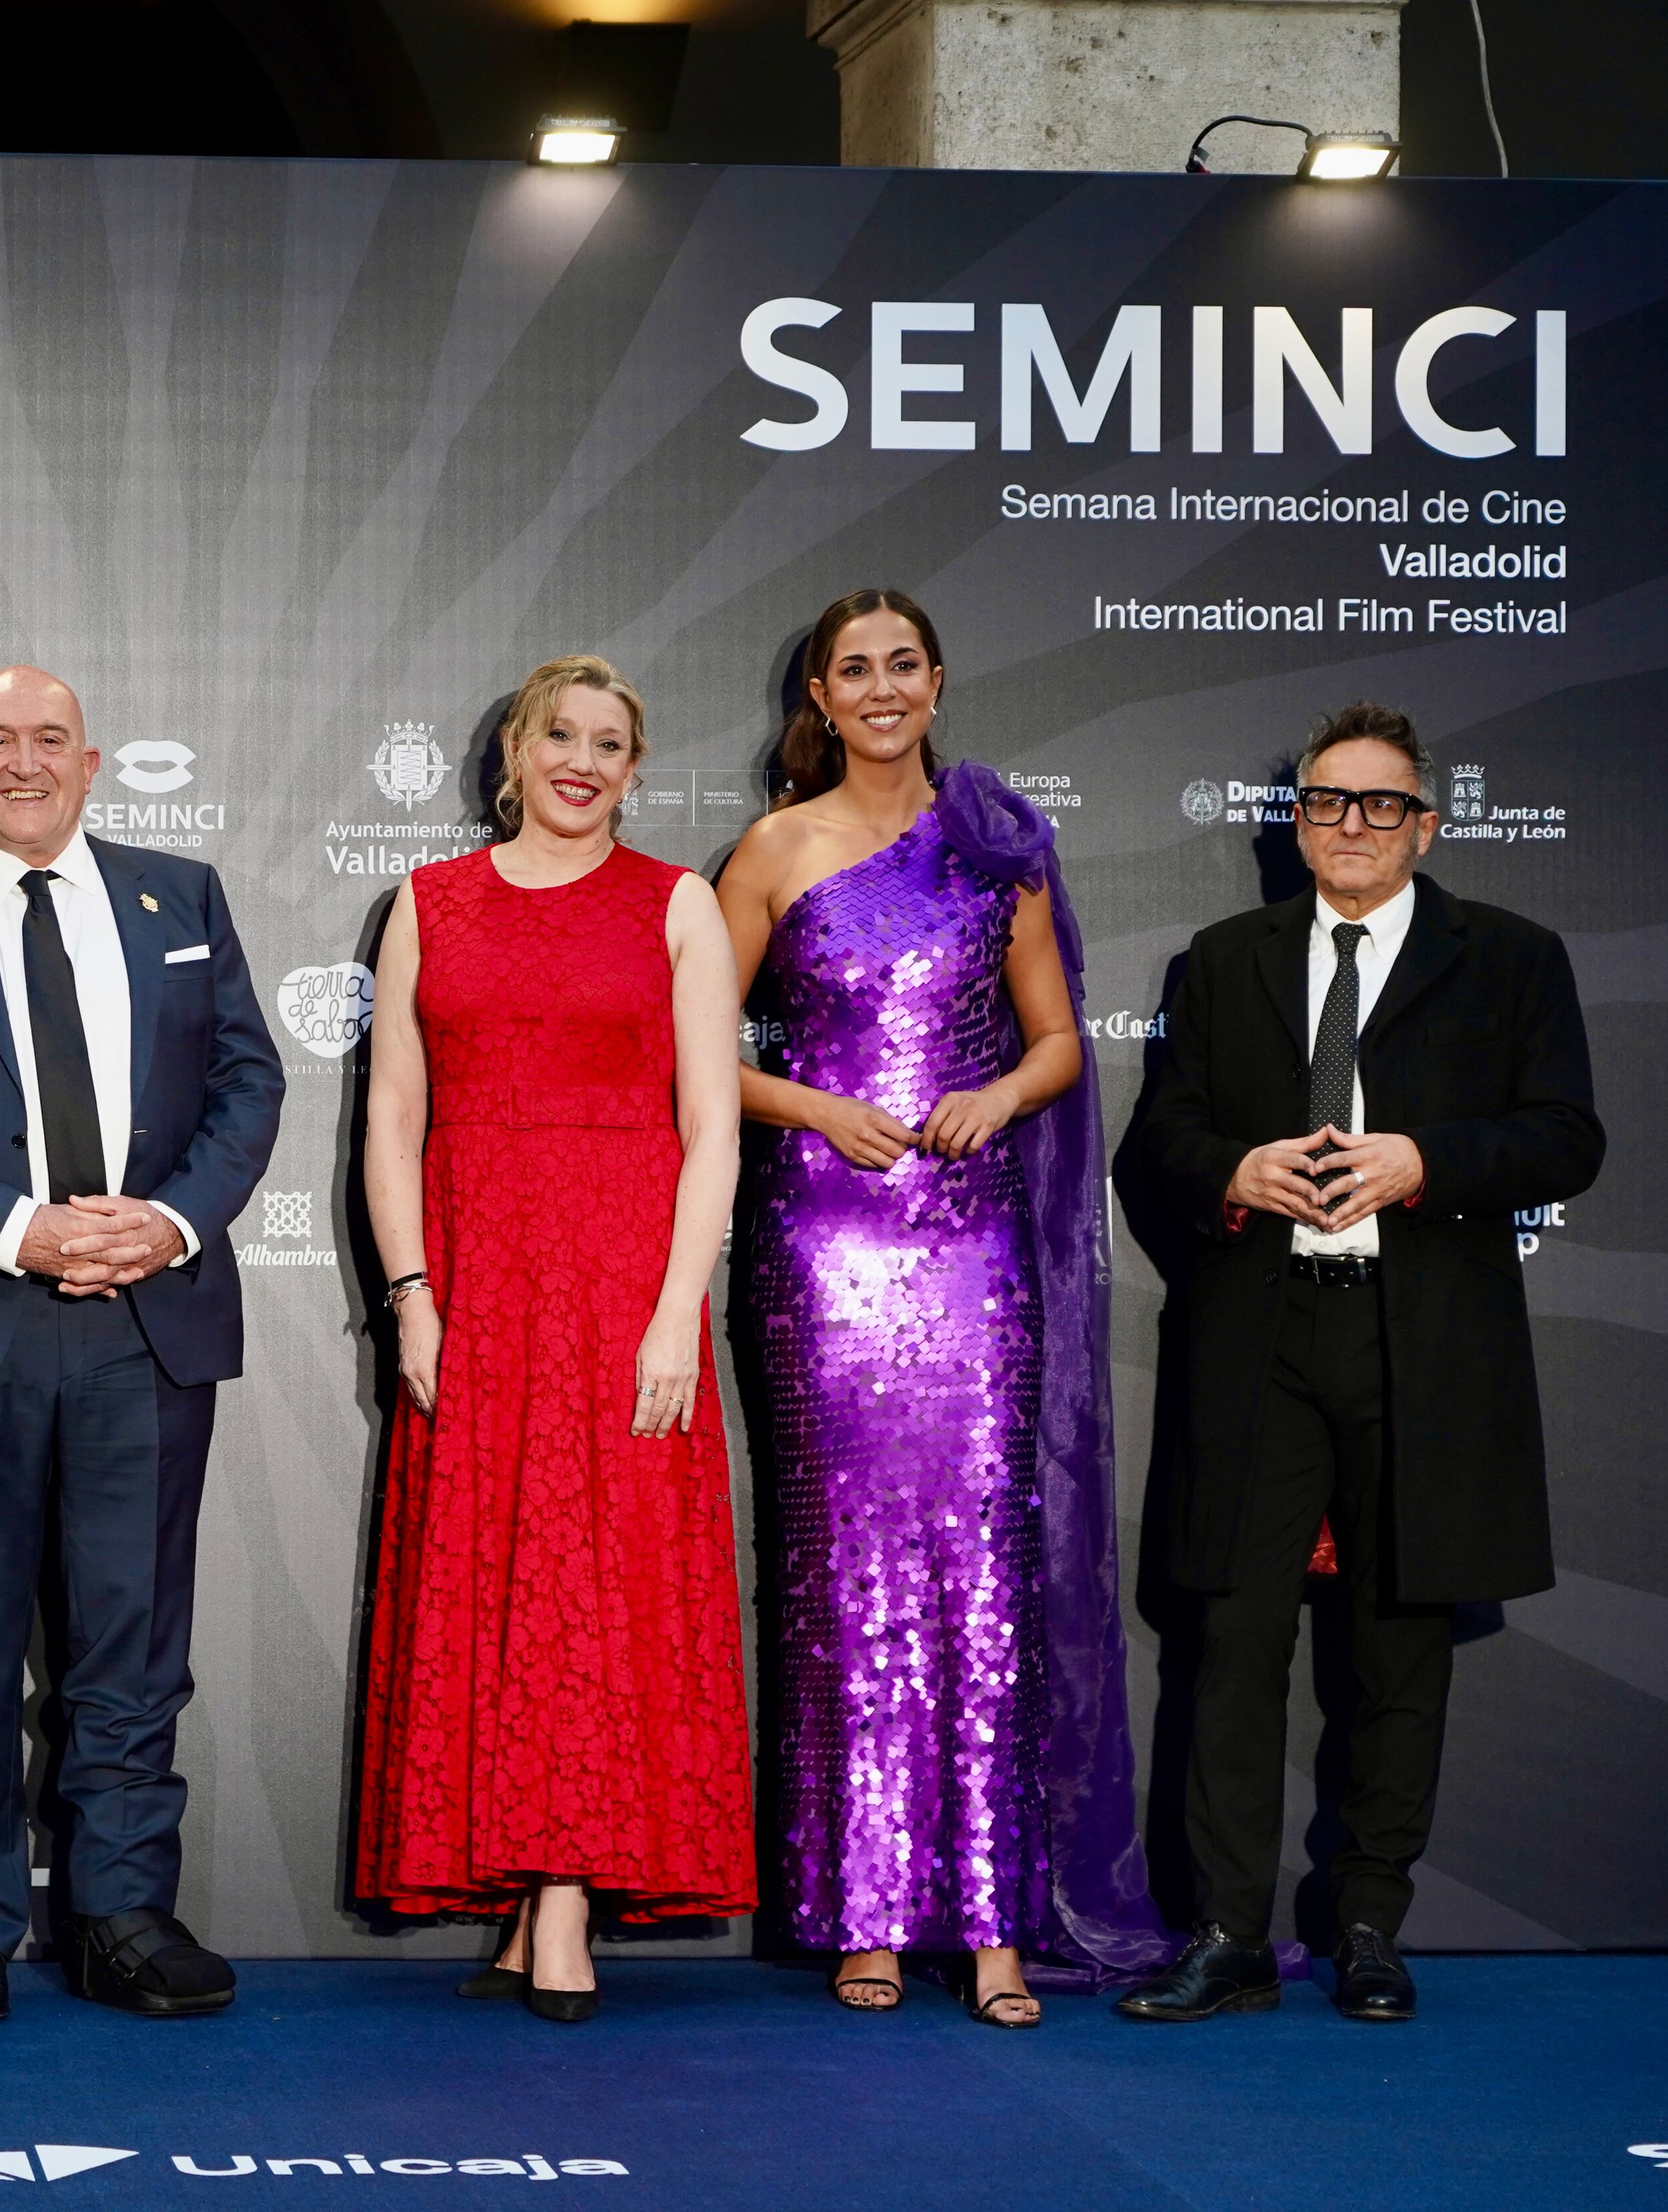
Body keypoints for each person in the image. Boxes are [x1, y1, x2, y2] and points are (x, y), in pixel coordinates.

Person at [716, 588, 1170, 2027]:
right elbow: (688, 1054)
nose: (880, 687)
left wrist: (995, 1091)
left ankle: (989, 1922)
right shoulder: (771, 851)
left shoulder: (997, 846)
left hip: (972, 1251)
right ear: (820, 690)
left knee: (983, 1571)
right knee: (842, 1576)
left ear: (937, 675)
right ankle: (862, 1906)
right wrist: (808, 1103)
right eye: (853, 668)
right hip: (819, 1247)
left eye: (902, 661)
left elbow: (1051, 1042)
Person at [1117, 702, 1600, 2024]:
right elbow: (1158, 1139)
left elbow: (1566, 1136)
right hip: (1260, 1337)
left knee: (1398, 1645)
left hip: (1426, 1343)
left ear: (1426, 823)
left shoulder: (1507, 956)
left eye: (1379, 803)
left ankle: (1371, 1922)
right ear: (1300, 820)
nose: (1348, 824)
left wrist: (1424, 1159)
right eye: (1326, 801)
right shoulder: (1224, 959)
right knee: (1232, 1638)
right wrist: (1234, 1166)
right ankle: (1225, 1929)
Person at [0, 666, 283, 2025]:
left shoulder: (182, 895)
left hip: (148, 1319)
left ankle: (121, 1911)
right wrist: (22, 1228)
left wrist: (171, 1220)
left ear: (92, 764)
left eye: (47, 740)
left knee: (132, 1642)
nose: (21, 762)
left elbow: (248, 1078)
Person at [352, 655, 754, 2025]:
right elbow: (391, 1115)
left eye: (611, 743)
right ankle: (531, 1898)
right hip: (474, 1279)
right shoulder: (427, 902)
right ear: (510, 753)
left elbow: (713, 1129)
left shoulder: (676, 904)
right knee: (498, 1585)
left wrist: (673, 1316)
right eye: (559, 736)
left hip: (621, 1286)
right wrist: (411, 1291)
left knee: (600, 1588)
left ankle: (570, 1897)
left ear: (635, 769)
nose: (582, 761)